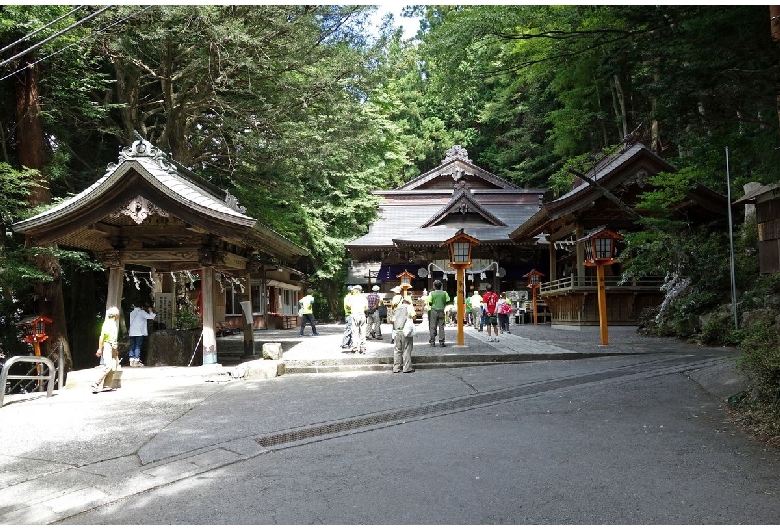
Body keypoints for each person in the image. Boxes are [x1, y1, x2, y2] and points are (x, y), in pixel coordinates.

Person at [93, 306, 121, 393]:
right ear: (115, 315)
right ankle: (95, 383)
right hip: (108, 345)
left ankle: (107, 385)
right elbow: (102, 337)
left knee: (113, 367)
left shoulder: (113, 324)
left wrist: (115, 350)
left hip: (113, 346)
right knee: (108, 366)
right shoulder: (108, 323)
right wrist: (100, 349)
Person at [128, 302, 156, 367]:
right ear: (142, 307)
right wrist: (150, 311)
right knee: (137, 346)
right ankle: (136, 361)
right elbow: (152, 317)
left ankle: (131, 360)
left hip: (132, 332)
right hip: (139, 332)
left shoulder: (131, 313)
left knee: (132, 346)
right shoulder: (141, 312)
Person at [392, 297, 416, 373]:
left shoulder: (397, 308)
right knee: (407, 349)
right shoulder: (409, 307)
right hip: (406, 331)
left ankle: (396, 368)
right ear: (409, 302)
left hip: (397, 331)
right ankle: (407, 368)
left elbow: (392, 320)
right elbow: (414, 317)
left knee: (397, 350)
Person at [427, 279, 450, 347]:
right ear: (441, 286)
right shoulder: (445, 293)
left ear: (434, 286)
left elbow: (430, 302)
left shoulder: (431, 293)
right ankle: (441, 342)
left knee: (432, 326)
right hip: (441, 310)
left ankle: (432, 342)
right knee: (441, 326)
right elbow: (448, 300)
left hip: (434, 310)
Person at [348, 285, 369, 354]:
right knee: (363, 332)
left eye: (353, 290)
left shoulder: (352, 297)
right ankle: (363, 348)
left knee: (355, 331)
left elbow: (348, 306)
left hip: (355, 315)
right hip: (362, 315)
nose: (352, 291)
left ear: (356, 290)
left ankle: (355, 348)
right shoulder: (364, 298)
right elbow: (366, 308)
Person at [340, 286, 355, 351]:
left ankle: (349, 343)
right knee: (349, 329)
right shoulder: (349, 297)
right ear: (350, 291)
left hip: (349, 314)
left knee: (351, 329)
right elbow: (348, 306)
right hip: (349, 314)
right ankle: (345, 343)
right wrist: (353, 309)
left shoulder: (348, 297)